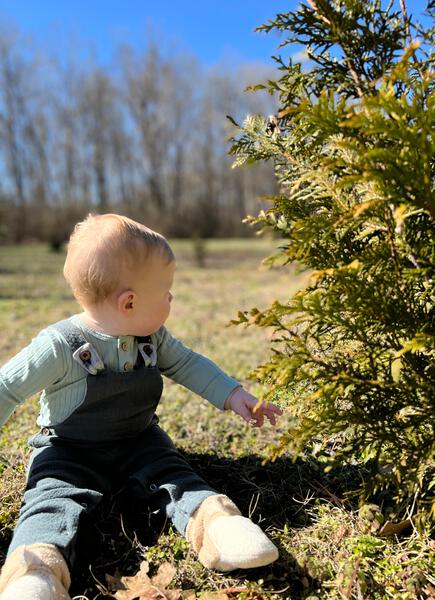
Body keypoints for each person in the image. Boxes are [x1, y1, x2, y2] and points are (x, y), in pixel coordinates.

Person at [0, 213, 282, 600]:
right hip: (68, 450)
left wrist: (233, 395)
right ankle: (34, 572)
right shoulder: (58, 346)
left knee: (176, 477)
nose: (171, 297)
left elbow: (188, 363)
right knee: (50, 499)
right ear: (129, 302)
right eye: (165, 290)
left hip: (139, 442)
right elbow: (6, 388)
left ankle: (218, 524)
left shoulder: (152, 337)